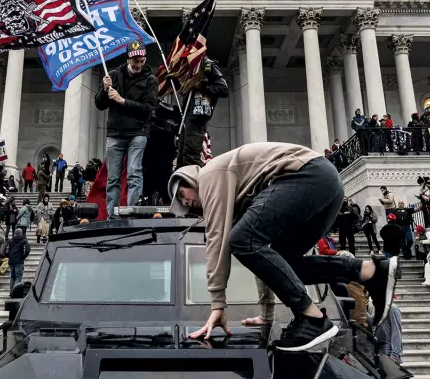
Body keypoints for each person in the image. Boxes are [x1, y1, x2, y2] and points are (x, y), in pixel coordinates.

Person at [168, 142, 398, 351]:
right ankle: (370, 271)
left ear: (190, 179)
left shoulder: (210, 174)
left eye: (182, 194)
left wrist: (217, 304)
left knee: (240, 240)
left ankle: (312, 318)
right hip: (325, 184)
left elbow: (217, 240)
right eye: (183, 205)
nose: (186, 202)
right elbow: (264, 259)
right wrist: (267, 314)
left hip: (307, 176)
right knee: (283, 261)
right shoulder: (237, 195)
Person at [95, 40, 158, 215]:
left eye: (141, 60)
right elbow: (100, 105)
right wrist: (104, 90)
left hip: (138, 133)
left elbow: (148, 109)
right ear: (128, 59)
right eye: (135, 60)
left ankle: (132, 213)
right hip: (115, 133)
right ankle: (112, 217)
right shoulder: (113, 76)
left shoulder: (151, 80)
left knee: (134, 173)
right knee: (113, 178)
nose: (138, 64)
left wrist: (122, 101)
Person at [177, 56, 229, 168]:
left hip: (198, 116)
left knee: (191, 157)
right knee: (181, 157)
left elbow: (224, 90)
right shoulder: (189, 68)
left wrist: (205, 87)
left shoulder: (208, 66)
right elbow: (185, 92)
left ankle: (199, 181)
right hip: (187, 117)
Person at [6, 228, 31, 293]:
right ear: (21, 234)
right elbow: (28, 250)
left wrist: (8, 256)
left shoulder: (10, 240)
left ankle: (11, 292)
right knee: (18, 277)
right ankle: (15, 293)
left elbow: (4, 250)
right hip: (19, 261)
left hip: (11, 261)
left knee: (12, 277)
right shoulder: (24, 241)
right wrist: (23, 257)